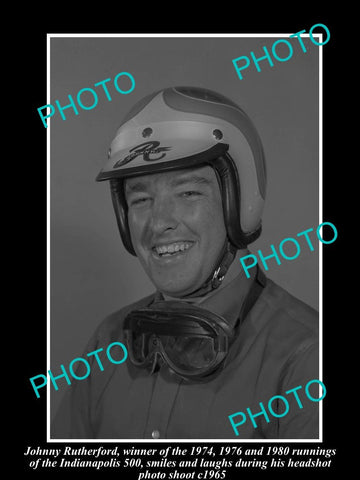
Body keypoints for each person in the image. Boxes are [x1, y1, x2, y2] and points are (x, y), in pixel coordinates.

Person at [51, 86, 319, 439]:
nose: (159, 222)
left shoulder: (306, 356)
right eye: (141, 198)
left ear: (240, 205)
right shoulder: (109, 341)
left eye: (188, 192)